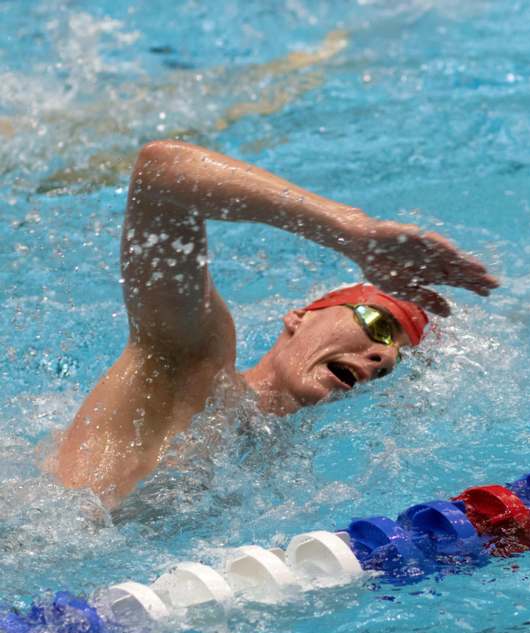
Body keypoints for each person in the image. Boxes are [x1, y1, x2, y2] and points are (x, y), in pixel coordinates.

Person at [51, 140, 499, 507]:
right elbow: (162, 172)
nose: (384, 356)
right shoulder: (190, 365)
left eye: (397, 359)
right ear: (299, 318)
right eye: (378, 324)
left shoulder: (282, 472)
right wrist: (353, 231)